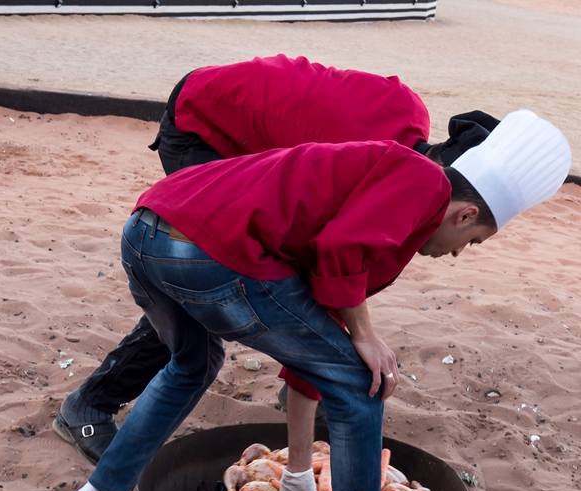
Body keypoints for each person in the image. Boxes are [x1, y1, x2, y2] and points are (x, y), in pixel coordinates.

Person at [45, 110, 570, 491]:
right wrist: (365, 337)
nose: (458, 253)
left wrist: (298, 467)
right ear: (466, 212)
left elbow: (311, 333)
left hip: (147, 231)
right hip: (211, 252)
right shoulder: (423, 181)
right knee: (364, 384)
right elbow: (340, 255)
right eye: (472, 241)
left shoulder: (384, 196)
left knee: (191, 365)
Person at [53, 54, 499, 467]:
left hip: (242, 125)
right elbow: (321, 260)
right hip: (205, 123)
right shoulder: (382, 165)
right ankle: (90, 405)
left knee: (236, 278)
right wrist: (320, 359)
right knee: (210, 275)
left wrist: (309, 368)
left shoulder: (407, 120)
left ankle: (299, 386)